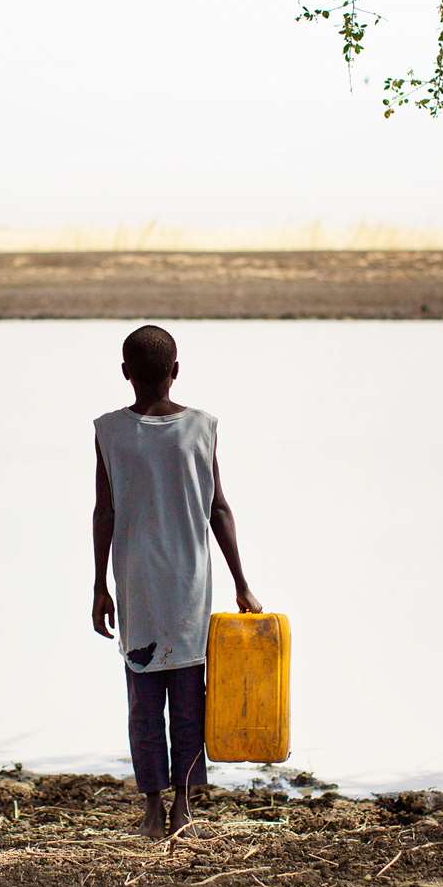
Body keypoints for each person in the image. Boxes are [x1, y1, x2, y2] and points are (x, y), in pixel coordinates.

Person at [91, 324, 261, 840]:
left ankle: (152, 807)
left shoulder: (109, 429)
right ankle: (182, 803)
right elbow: (220, 510)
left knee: (144, 702)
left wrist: (99, 585)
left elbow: (104, 511)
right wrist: (241, 582)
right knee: (189, 699)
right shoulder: (202, 427)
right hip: (190, 585)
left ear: (125, 374)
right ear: (176, 370)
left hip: (136, 586)